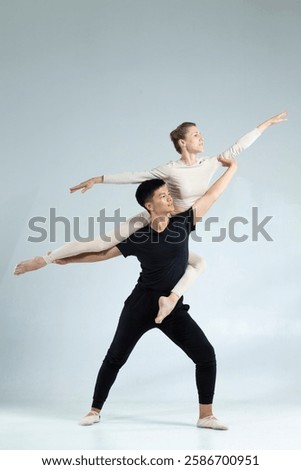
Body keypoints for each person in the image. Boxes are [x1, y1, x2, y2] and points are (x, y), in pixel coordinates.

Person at [14, 112, 287, 323]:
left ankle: (169, 300)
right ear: (183, 142)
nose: (201, 138)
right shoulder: (169, 169)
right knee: (102, 244)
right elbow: (136, 176)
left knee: (199, 264)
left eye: (200, 134)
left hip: (178, 228)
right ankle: (44, 259)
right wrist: (99, 179)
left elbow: (238, 148)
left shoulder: (210, 164)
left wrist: (266, 125)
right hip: (153, 218)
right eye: (195, 135)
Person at [55, 156, 237, 429]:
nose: (170, 198)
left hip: (171, 308)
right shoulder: (138, 236)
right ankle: (94, 410)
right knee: (115, 357)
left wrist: (232, 167)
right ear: (149, 206)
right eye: (164, 195)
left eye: (169, 193)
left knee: (205, 354)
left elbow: (213, 193)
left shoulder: (183, 222)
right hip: (140, 305)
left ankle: (206, 416)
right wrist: (68, 260)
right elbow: (103, 254)